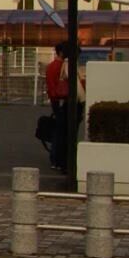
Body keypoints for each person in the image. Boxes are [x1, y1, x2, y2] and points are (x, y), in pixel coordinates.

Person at [43, 42, 77, 171]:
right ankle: (59, 158)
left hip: (55, 100)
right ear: (62, 52)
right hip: (62, 100)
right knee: (62, 132)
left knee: (58, 130)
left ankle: (55, 159)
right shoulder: (63, 66)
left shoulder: (51, 66)